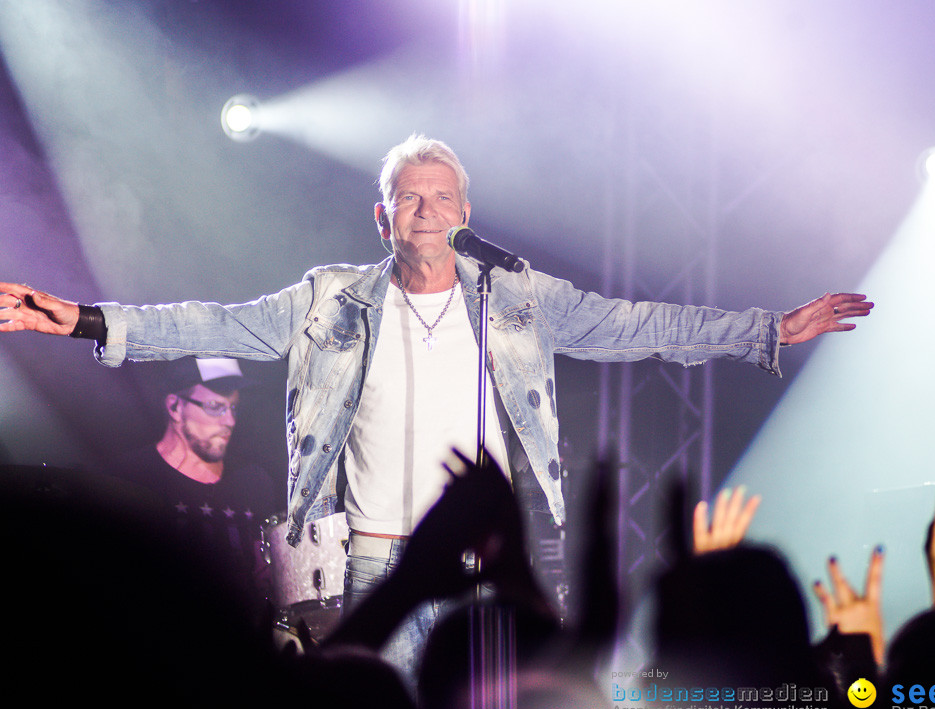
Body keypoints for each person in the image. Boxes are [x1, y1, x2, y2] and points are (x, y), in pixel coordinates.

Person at [0, 133, 873, 679]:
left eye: (443, 197)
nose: (426, 210)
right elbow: (213, 321)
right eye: (409, 197)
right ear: (383, 219)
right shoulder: (329, 300)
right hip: (371, 561)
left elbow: (633, 324)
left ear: (465, 215)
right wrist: (77, 318)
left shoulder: (518, 300)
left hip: (483, 559)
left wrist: (767, 330)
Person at [108, 357, 279, 609]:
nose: (229, 421)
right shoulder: (129, 478)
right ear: (175, 407)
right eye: (214, 406)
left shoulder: (255, 480)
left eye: (233, 408)